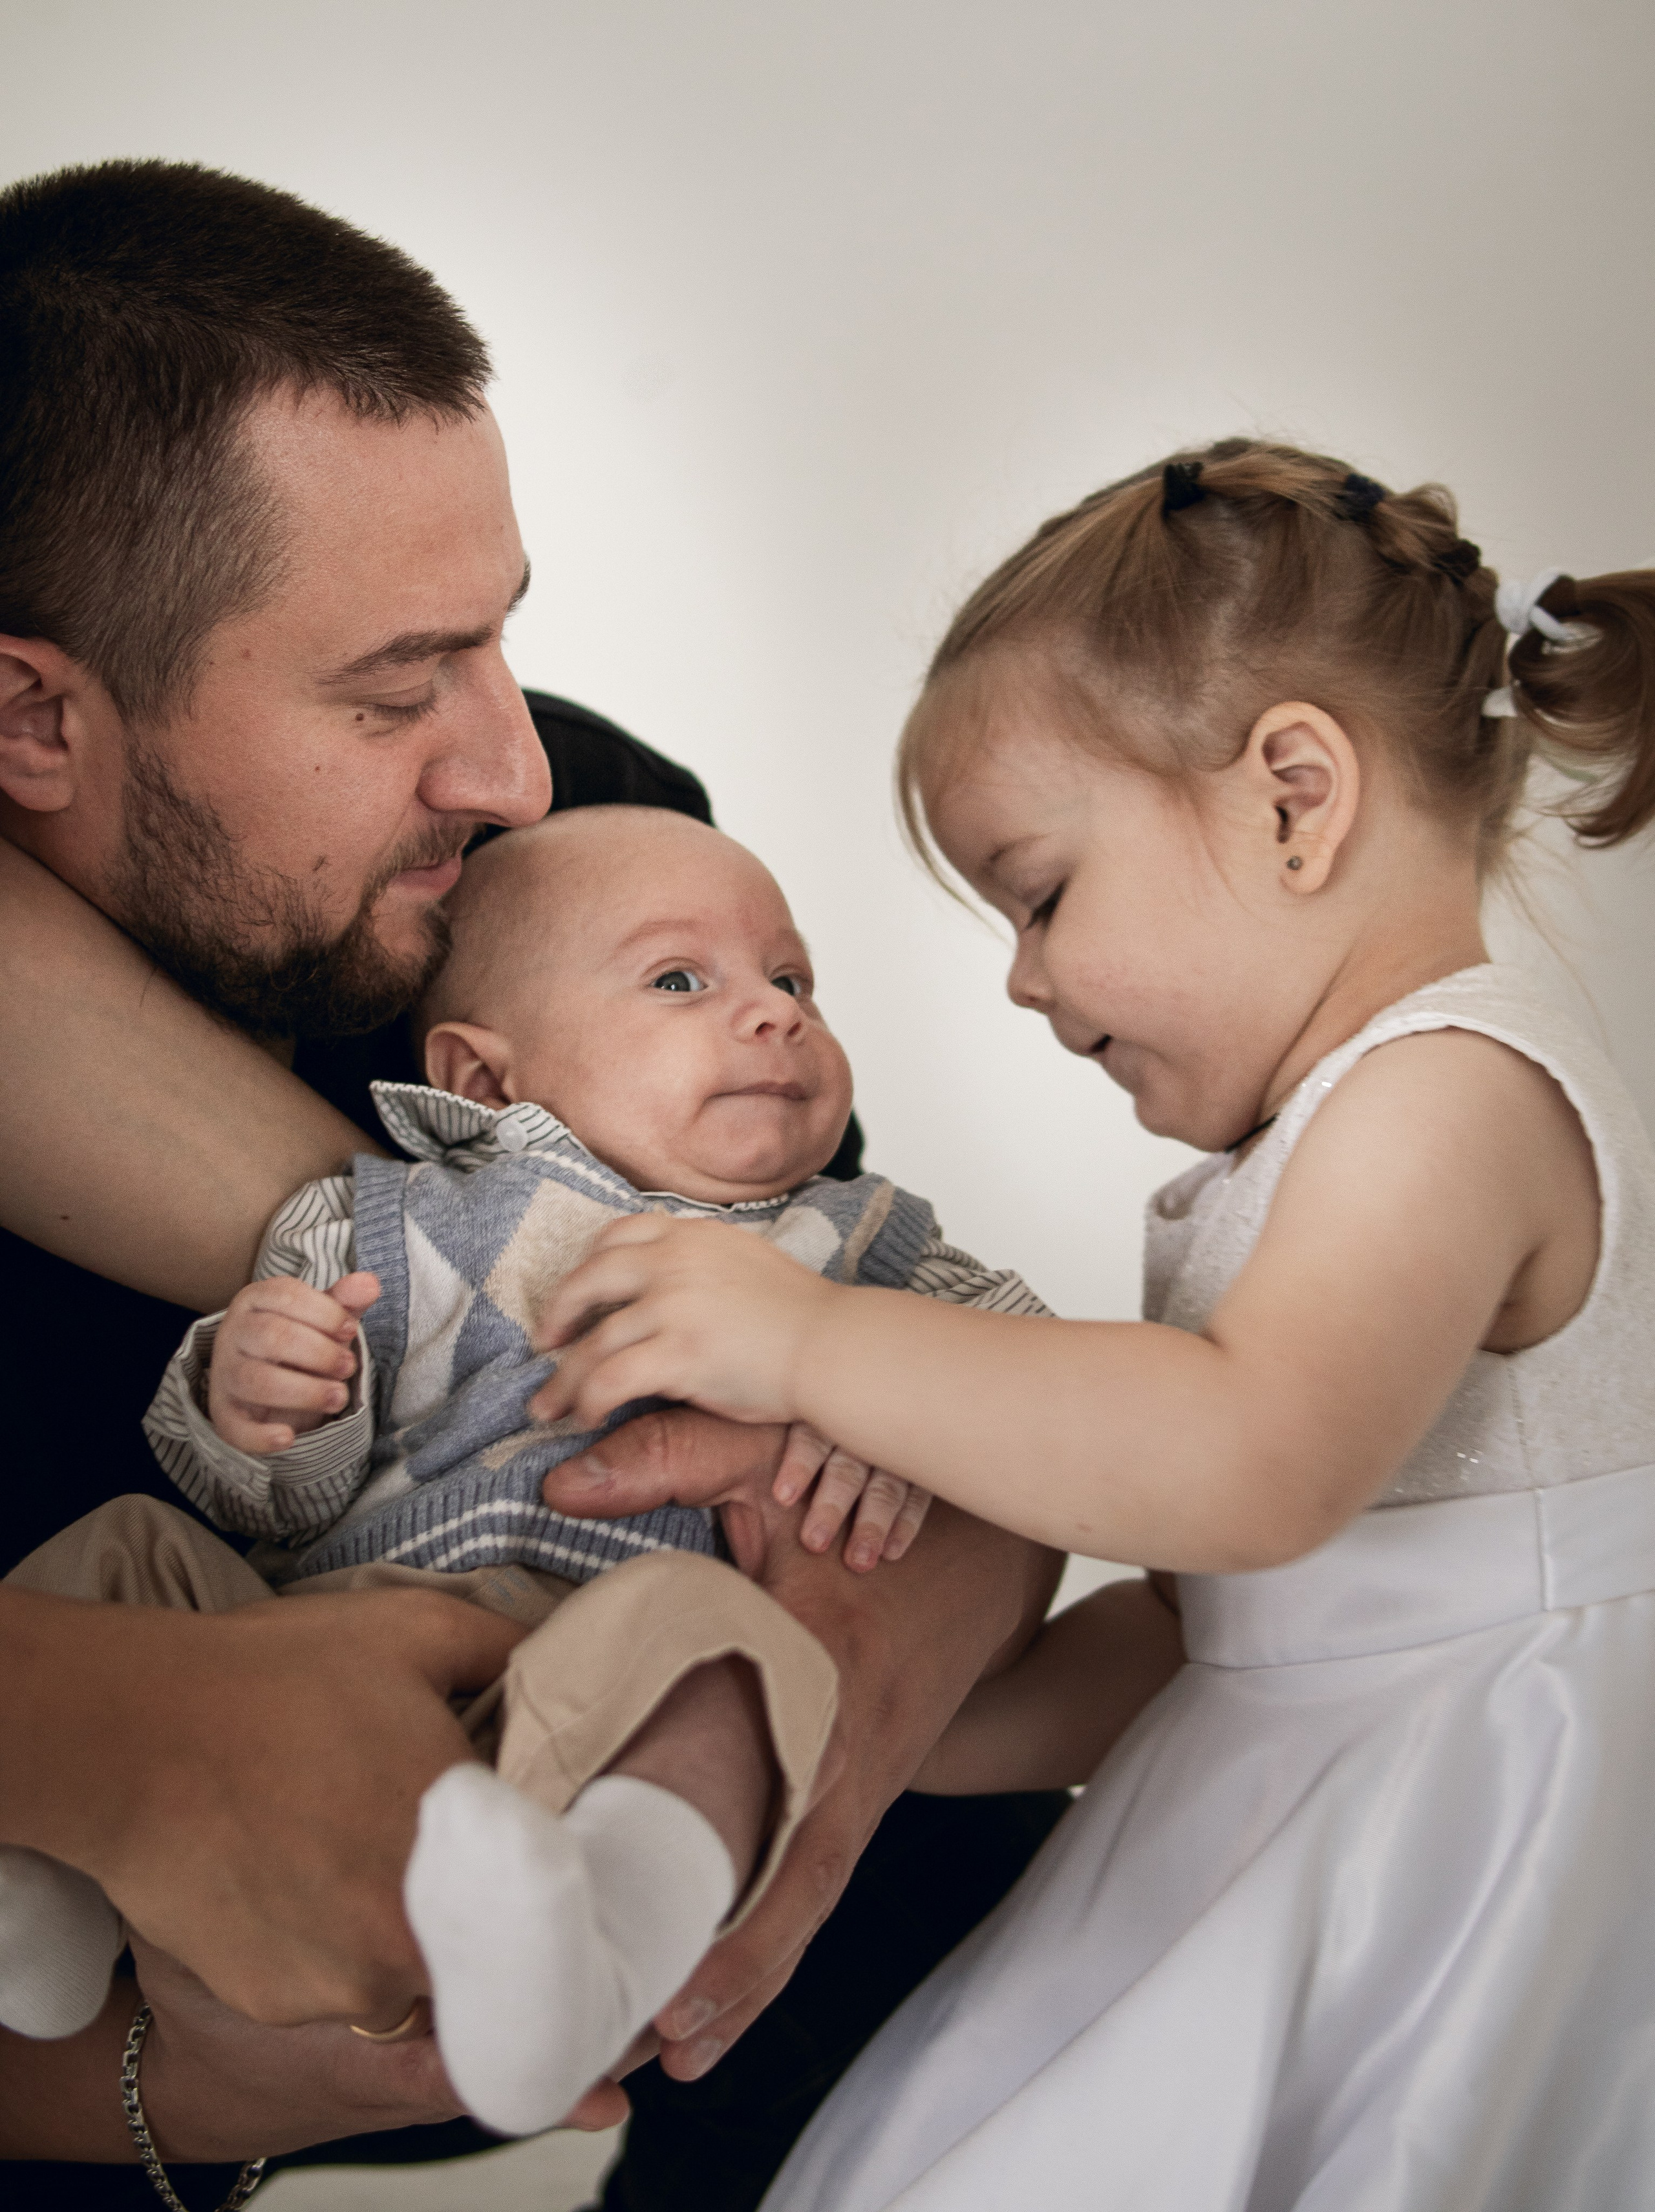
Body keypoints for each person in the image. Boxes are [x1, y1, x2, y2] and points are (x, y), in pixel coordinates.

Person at [0, 160, 1068, 2207]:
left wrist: (860, 1683)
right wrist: (203, 2081)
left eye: (498, 642)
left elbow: (904, 1327)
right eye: (395, 687)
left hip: (898, 2033)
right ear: (37, 714)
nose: (506, 768)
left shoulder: (571, 844)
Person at [532, 440, 1655, 2209]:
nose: (1028, 979)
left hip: (1462, 1868)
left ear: (1297, 796)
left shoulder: (1455, 1085)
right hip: (1270, 1810)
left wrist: (802, 1337)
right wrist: (855, 1727)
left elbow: (1246, 1461)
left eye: (1043, 893)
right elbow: (1210, 1637)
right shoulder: (1315, 1139)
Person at [6, 805, 1069, 2143]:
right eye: (681, 980)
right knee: (124, 1551)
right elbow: (259, 1497)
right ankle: (38, 1891)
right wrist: (265, 1396)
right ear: (488, 1079)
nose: (773, 1015)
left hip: (597, 1648)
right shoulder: (388, 1216)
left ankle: (591, 1941)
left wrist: (887, 1399)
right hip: (308, 1668)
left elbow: (1045, 1399)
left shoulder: (851, 1243)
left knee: (724, 1650)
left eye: (790, 980)